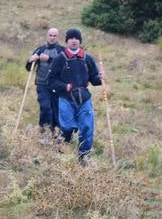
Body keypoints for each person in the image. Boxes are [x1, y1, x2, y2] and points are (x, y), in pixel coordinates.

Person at [44, 28, 103, 163]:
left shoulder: (87, 58)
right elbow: (51, 81)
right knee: (67, 126)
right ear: (67, 41)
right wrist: (65, 86)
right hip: (65, 98)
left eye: (76, 38)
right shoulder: (60, 59)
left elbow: (94, 79)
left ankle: (84, 155)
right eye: (71, 38)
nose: (74, 41)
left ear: (79, 41)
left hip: (84, 98)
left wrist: (100, 78)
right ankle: (63, 143)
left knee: (87, 126)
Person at [25, 27, 64, 141]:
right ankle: (44, 133)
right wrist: (30, 60)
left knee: (56, 109)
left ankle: (57, 133)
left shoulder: (61, 51)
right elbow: (28, 68)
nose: (52, 38)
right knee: (45, 107)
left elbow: (63, 67)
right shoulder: (39, 49)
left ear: (58, 37)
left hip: (57, 85)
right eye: (50, 35)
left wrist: (49, 59)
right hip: (42, 84)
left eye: (54, 36)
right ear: (47, 36)